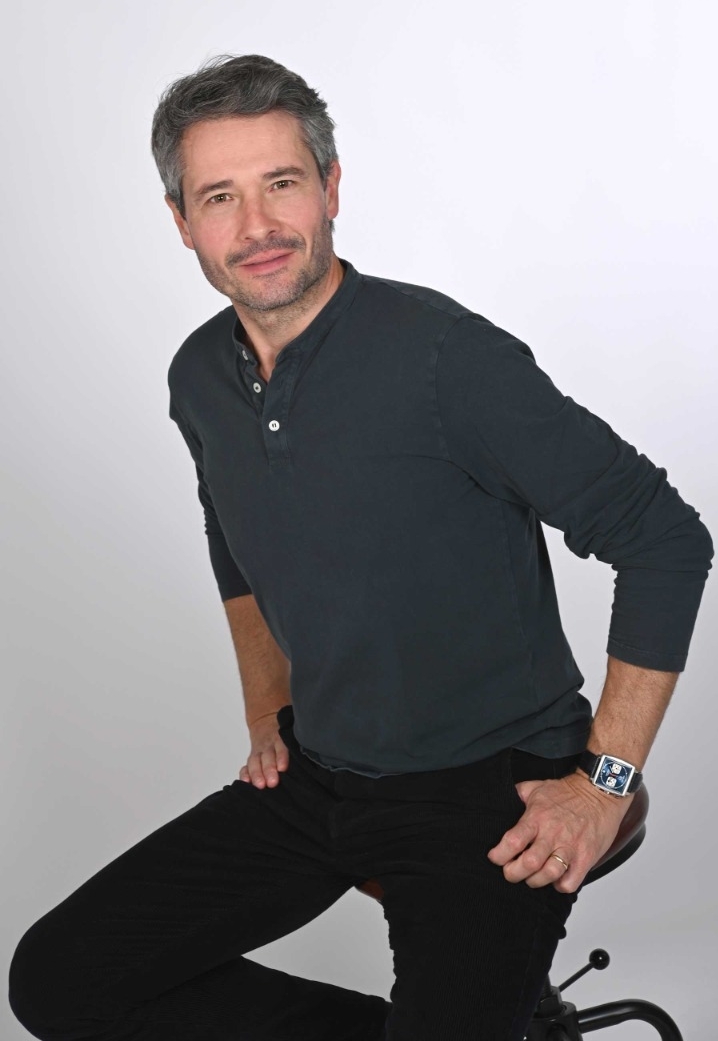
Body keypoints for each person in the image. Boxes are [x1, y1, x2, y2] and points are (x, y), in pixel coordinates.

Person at [9, 54, 713, 1041]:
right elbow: (232, 534)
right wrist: (268, 706)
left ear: (331, 188)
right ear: (181, 221)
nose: (257, 226)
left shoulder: (447, 358)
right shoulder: (199, 377)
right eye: (220, 196)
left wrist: (603, 787)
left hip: (495, 784)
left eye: (282, 183)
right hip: (324, 773)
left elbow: (664, 536)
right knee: (61, 981)